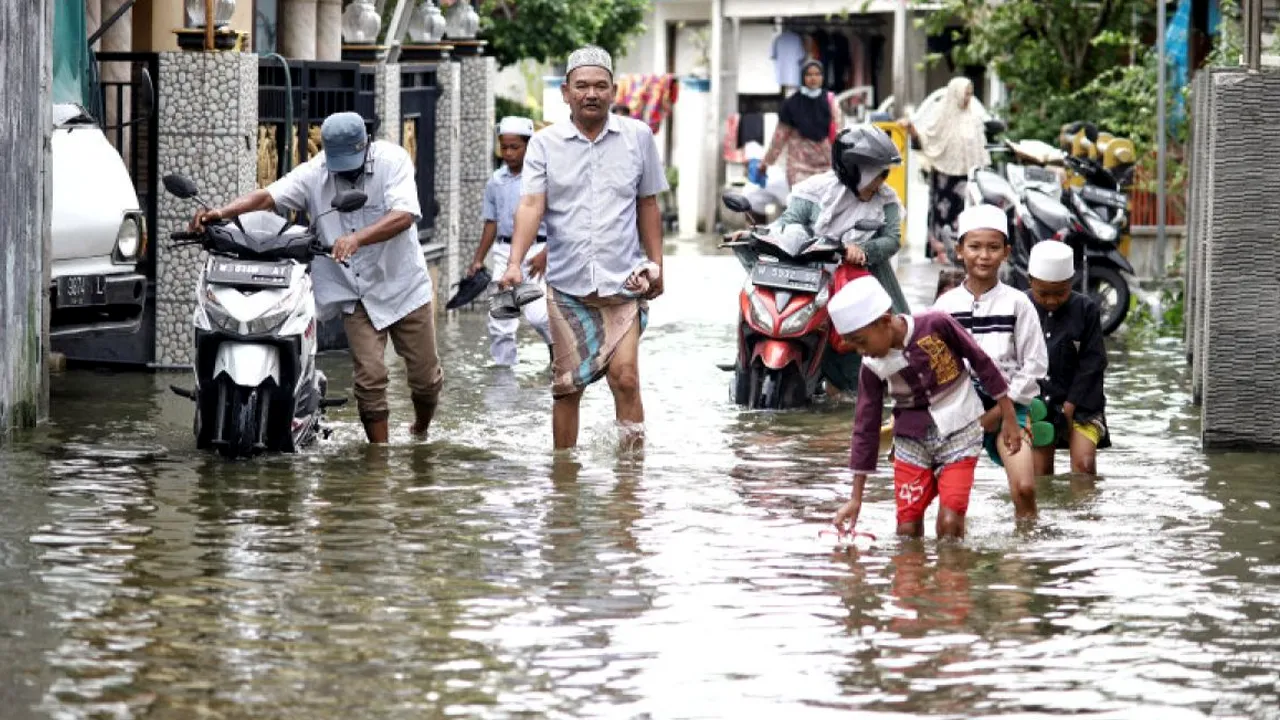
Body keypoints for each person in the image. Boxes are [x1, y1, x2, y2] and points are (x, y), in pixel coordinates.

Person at [191, 111, 442, 444]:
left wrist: (357, 238)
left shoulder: (392, 161)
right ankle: (379, 460)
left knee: (425, 380)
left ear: (365, 145)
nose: (344, 171)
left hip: (403, 285)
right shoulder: (316, 171)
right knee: (370, 379)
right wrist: (222, 213)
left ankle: (420, 430)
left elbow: (405, 215)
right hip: (354, 293)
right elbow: (269, 196)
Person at [497, 45, 668, 450]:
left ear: (614, 91)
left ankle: (630, 479)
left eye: (600, 86)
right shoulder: (543, 144)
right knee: (567, 387)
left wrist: (658, 264)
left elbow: (648, 204)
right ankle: (564, 481)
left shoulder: (638, 137)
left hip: (624, 281)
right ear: (566, 91)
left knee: (625, 378)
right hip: (568, 286)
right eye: (582, 86)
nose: (591, 93)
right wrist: (514, 263)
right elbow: (531, 204)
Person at [831, 275, 1022, 540]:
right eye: (853, 345)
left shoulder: (935, 323)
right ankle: (912, 578)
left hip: (961, 431)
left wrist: (1009, 416)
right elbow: (865, 427)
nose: (860, 352)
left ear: (885, 321)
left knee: (949, 523)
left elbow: (981, 361)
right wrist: (855, 498)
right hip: (911, 443)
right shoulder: (871, 367)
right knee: (907, 529)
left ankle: (951, 577)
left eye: (861, 342)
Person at [762, 125, 908, 393]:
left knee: (883, 348)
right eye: (878, 174)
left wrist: (863, 251)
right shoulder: (816, 191)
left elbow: (892, 238)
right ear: (855, 171)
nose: (882, 181)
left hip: (866, 279)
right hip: (813, 280)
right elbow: (789, 221)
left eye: (884, 174)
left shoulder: (886, 198)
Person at [934, 204, 1048, 521]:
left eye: (993, 247)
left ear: (1006, 252)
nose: (984, 255)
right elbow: (935, 365)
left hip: (1011, 409)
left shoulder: (1018, 303)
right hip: (960, 413)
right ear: (959, 251)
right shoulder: (945, 306)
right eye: (975, 247)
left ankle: (1025, 553)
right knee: (950, 507)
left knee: (1025, 489)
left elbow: (1035, 366)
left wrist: (1001, 412)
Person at [468, 116, 553, 368]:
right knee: (500, 319)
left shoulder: (542, 179)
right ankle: (503, 376)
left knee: (539, 316)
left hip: (537, 251)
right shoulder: (496, 180)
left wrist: (546, 253)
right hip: (504, 252)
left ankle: (559, 355)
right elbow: (491, 222)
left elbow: (561, 221)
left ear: (529, 146)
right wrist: (478, 259)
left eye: (514, 147)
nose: (508, 153)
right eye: (504, 147)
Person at [1025, 241, 1111, 475]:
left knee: (1084, 466)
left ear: (1071, 283)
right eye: (1043, 294)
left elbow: (1093, 362)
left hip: (1082, 404)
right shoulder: (1019, 307)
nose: (1052, 301)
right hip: (1037, 404)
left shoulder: (1086, 309)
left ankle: (1083, 511)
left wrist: (1070, 405)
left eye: (1060, 293)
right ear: (1029, 281)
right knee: (1039, 475)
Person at [902, 77, 990, 264]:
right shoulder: (940, 115)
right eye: (965, 93)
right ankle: (938, 250)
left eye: (970, 94)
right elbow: (925, 139)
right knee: (940, 213)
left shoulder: (972, 117)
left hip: (964, 176)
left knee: (961, 213)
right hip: (943, 174)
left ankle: (957, 249)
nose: (968, 98)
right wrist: (912, 130)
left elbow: (979, 147)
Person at [761, 60, 843, 189]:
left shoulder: (831, 101)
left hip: (826, 167)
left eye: (817, 74)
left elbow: (839, 133)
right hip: (799, 167)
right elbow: (779, 138)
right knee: (801, 205)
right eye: (809, 75)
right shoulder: (791, 104)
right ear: (802, 77)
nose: (813, 78)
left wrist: (843, 162)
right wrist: (766, 162)